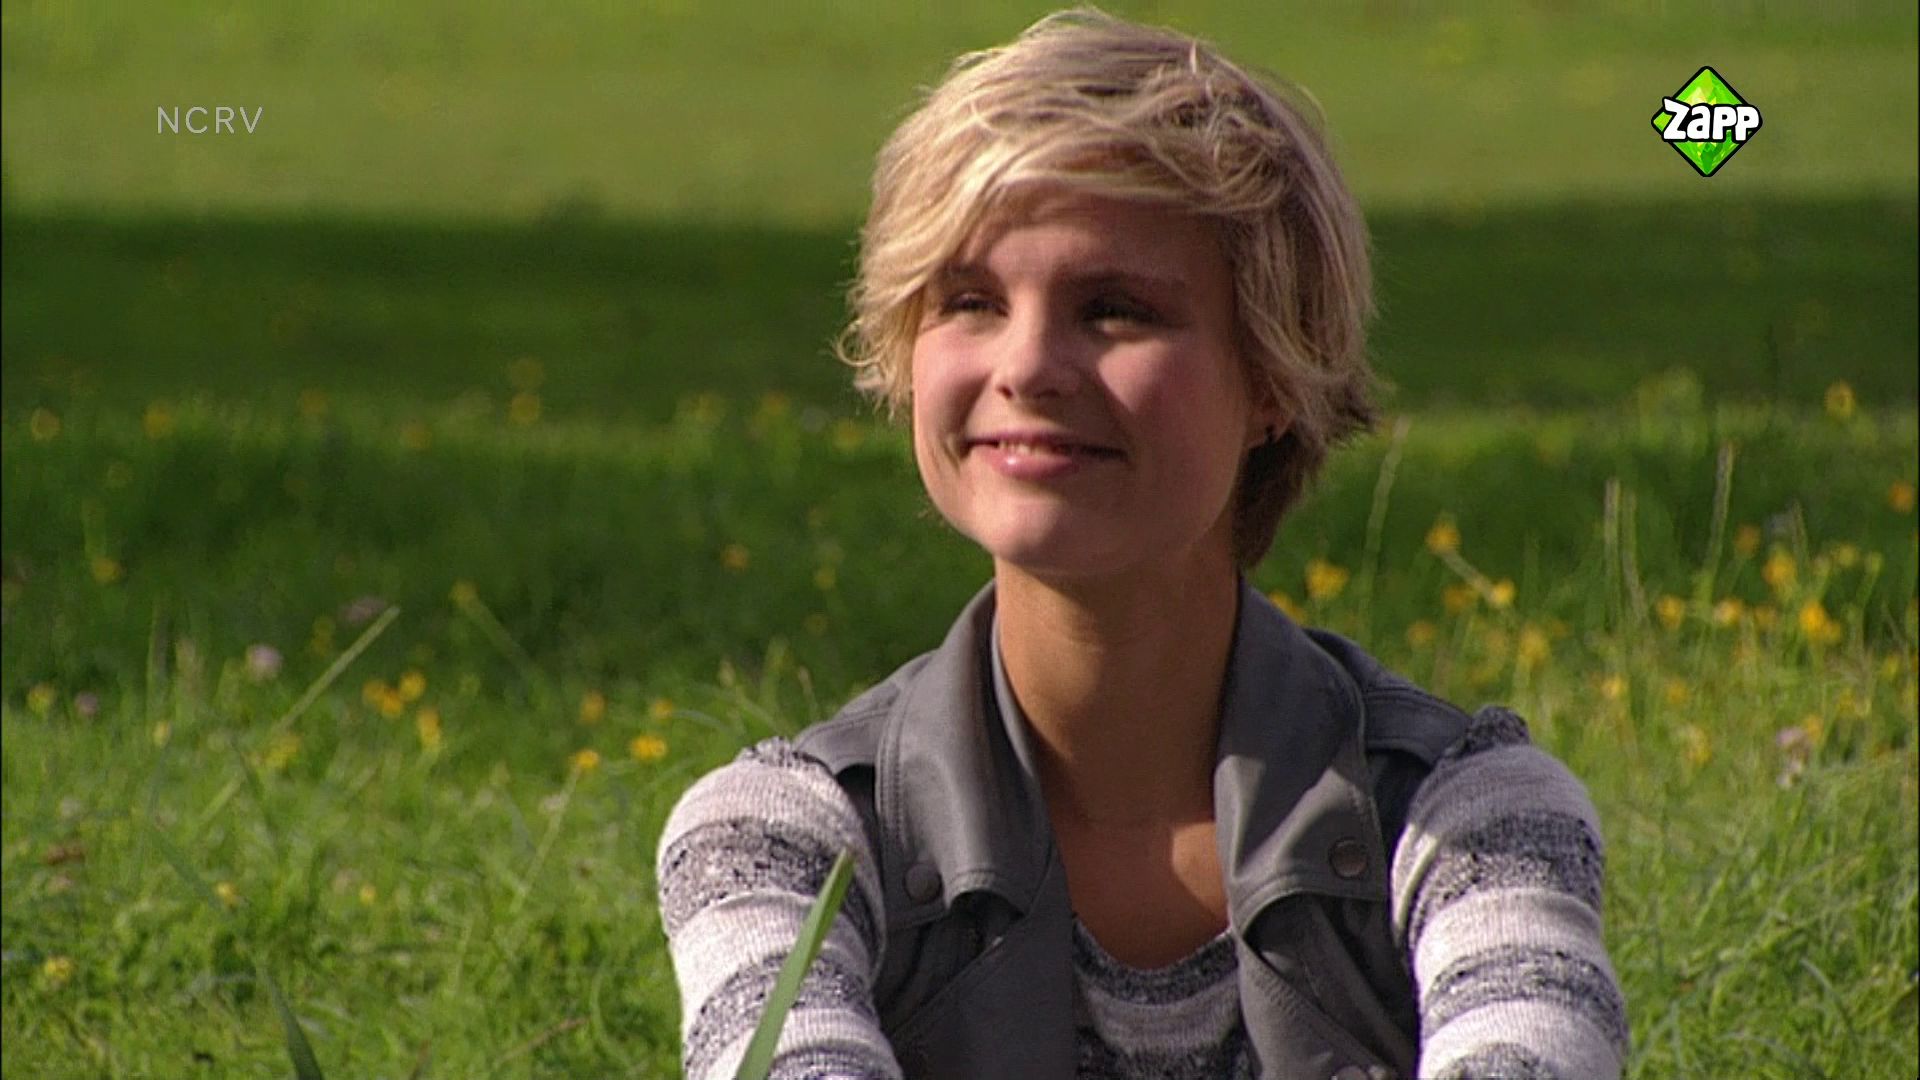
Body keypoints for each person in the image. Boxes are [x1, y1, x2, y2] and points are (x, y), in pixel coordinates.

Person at [657, 9, 1626, 1079]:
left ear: (1274, 375)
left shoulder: (1475, 822)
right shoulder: (776, 844)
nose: (1027, 367)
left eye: (1114, 309)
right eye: (970, 301)